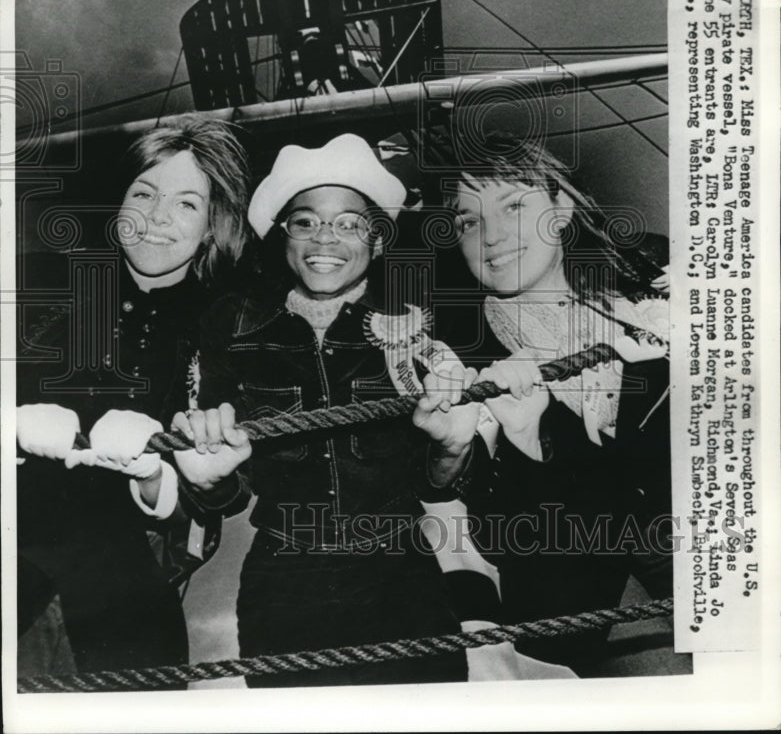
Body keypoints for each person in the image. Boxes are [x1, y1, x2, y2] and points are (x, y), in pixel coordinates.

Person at [172, 133, 472, 688]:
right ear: (283, 238)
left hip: (402, 574)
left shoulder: (417, 329)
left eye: (349, 222)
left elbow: (437, 487)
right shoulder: (230, 327)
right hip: (286, 582)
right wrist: (207, 484)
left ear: (378, 241)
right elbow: (226, 490)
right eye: (305, 221)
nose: (324, 238)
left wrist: (453, 446)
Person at [16, 116, 251, 680]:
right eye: (143, 193)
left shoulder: (229, 327)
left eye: (186, 204)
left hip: (124, 589)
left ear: (214, 226)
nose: (155, 218)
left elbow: (226, 493)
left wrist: (155, 476)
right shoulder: (36, 283)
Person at [427, 133, 671, 673]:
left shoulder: (654, 281)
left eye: (514, 205)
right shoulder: (458, 356)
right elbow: (494, 537)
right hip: (584, 588)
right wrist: (527, 443)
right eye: (468, 220)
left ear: (562, 210)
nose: (491, 237)